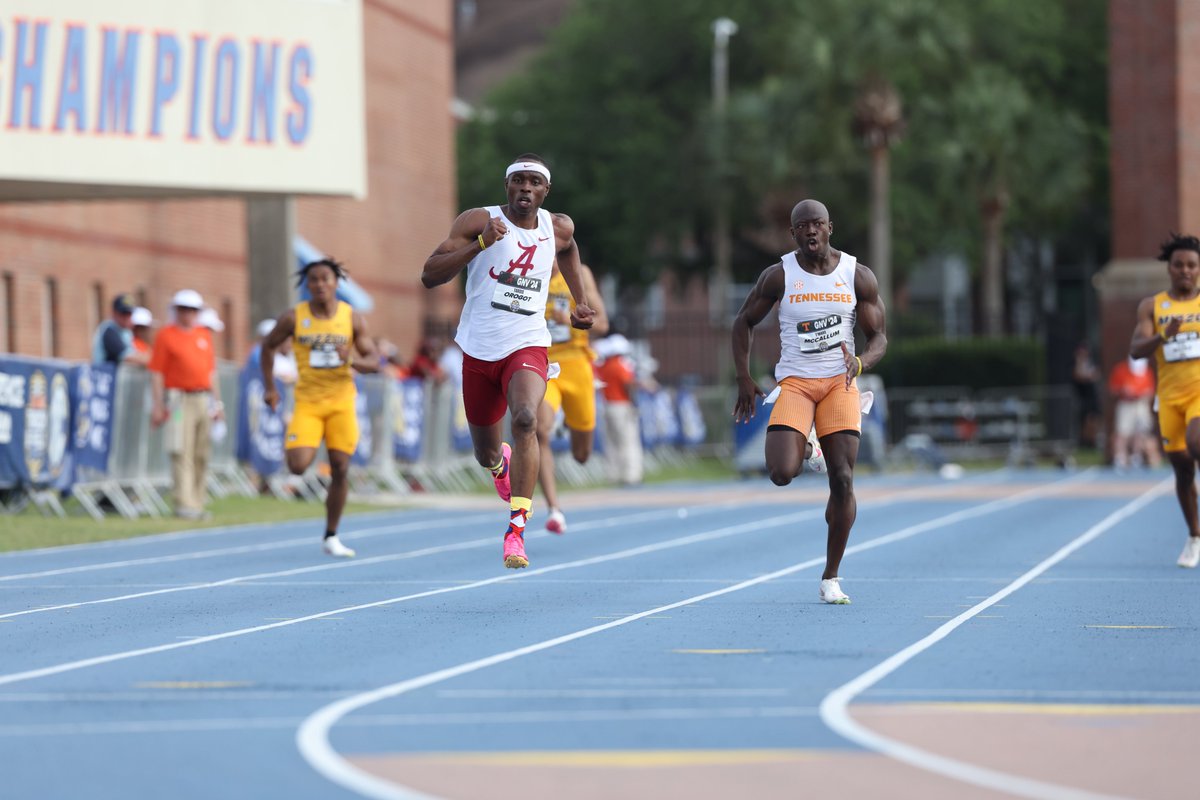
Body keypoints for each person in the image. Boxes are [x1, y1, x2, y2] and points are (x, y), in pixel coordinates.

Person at [421, 153, 594, 569]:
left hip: (528, 342)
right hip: (479, 348)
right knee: (485, 452)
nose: (526, 189)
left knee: (526, 419)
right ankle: (499, 464)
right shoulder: (478, 221)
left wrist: (581, 301)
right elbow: (430, 274)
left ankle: (516, 531)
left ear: (545, 191)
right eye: (519, 181)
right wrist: (481, 244)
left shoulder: (559, 227)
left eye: (535, 182)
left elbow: (569, 250)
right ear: (507, 186)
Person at [731, 199, 887, 604]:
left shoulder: (858, 276)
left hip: (840, 382)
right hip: (797, 383)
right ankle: (809, 442)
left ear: (830, 227)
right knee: (781, 472)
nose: (811, 232)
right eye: (803, 226)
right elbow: (743, 321)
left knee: (843, 478)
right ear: (793, 233)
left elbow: (879, 338)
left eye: (818, 224)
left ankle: (831, 576)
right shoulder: (779, 275)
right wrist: (744, 378)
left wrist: (861, 361)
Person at [260, 258, 380, 558]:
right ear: (307, 285)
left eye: (326, 279)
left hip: (341, 402)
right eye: (313, 280)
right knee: (298, 465)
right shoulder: (294, 317)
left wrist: (349, 359)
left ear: (336, 283)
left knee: (340, 468)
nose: (320, 284)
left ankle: (331, 535)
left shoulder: (351, 318)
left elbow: (374, 361)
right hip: (308, 402)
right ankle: (303, 449)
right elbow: (267, 346)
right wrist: (270, 387)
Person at [1129, 232, 1200, 568]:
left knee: (1196, 441)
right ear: (1169, 268)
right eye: (1179, 265)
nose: (1185, 270)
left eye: (1191, 265)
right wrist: (1162, 336)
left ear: (1199, 270)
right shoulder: (1152, 306)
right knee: (1183, 472)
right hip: (1169, 398)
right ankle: (1194, 537)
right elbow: (1135, 350)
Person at [537, 259, 608, 533]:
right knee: (538, 430)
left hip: (577, 363)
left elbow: (602, 325)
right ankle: (554, 510)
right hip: (543, 362)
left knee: (582, 454)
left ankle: (568, 421)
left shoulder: (581, 275)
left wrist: (568, 320)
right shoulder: (528, 273)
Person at [148, 289, 224, 519]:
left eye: (192, 310)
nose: (188, 314)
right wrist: (159, 404)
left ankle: (198, 500)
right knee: (181, 450)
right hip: (178, 400)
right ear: (176, 311)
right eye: (183, 309)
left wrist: (218, 404)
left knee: (201, 451)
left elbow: (211, 373)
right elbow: (157, 373)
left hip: (203, 398)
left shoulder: (203, 335)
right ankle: (184, 502)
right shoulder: (166, 335)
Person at [595, 332, 643, 486]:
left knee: (611, 442)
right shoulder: (621, 365)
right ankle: (630, 475)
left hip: (606, 405)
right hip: (621, 405)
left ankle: (612, 474)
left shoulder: (604, 366)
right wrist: (634, 403)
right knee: (627, 441)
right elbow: (628, 384)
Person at [1107, 356, 1159, 470]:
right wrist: (1124, 390)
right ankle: (1120, 458)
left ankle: (1137, 456)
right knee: (1122, 432)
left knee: (1141, 432)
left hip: (1141, 404)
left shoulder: (1147, 370)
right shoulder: (1120, 369)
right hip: (1125, 403)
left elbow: (1150, 391)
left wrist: (1141, 393)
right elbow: (1113, 389)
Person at [93, 292, 149, 367]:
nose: (126, 317)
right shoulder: (109, 331)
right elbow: (128, 357)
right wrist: (154, 360)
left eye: (129, 313)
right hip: (105, 376)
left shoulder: (125, 331)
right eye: (123, 313)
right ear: (114, 313)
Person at [1073, 341, 1102, 449]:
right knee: (1086, 421)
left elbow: (1096, 375)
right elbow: (1078, 376)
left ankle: (1093, 442)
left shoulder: (1091, 363)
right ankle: (1084, 442)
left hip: (1093, 397)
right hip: (1084, 398)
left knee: (1094, 421)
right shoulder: (1076, 364)